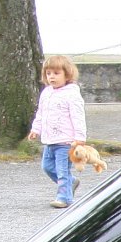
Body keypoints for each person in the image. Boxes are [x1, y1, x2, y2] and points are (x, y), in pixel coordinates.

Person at [28, 55, 88, 210]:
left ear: (67, 75)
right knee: (47, 167)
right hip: (49, 140)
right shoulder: (46, 93)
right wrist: (36, 129)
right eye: (48, 73)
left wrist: (80, 137)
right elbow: (41, 113)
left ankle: (64, 198)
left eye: (56, 73)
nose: (52, 77)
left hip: (65, 141)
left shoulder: (71, 94)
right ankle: (71, 182)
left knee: (62, 171)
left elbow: (78, 116)